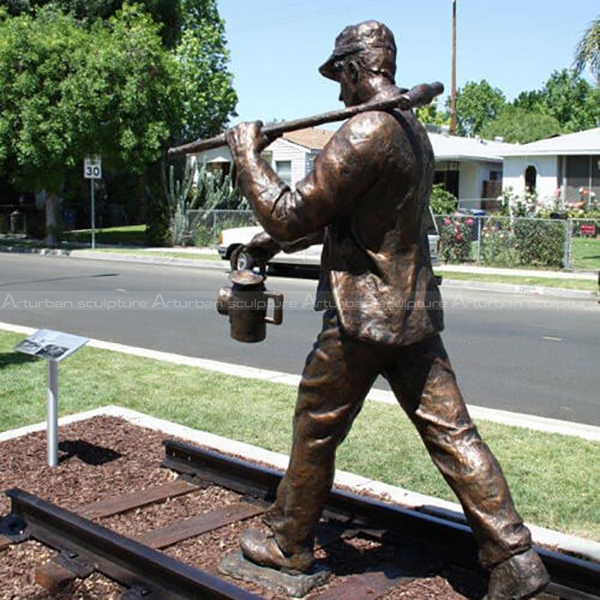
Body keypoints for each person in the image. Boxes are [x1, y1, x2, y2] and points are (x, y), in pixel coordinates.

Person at [225, 20, 549, 600]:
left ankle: (289, 542)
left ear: (354, 69)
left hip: (362, 317)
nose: (338, 94)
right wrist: (274, 238)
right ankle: (515, 557)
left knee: (316, 426)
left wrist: (248, 157)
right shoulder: (409, 130)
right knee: (453, 433)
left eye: (339, 78)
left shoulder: (366, 130)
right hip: (413, 312)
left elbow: (291, 215)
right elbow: (331, 219)